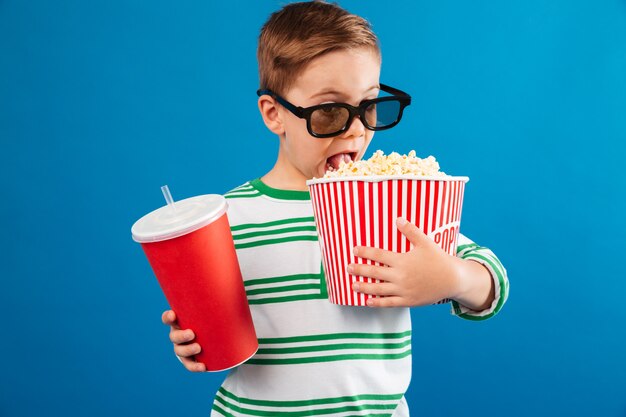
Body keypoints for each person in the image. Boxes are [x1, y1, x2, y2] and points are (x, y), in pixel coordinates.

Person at [162, 1, 509, 415]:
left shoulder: (390, 202)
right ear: (274, 114)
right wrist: (193, 341)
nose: (357, 129)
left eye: (369, 105)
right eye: (329, 111)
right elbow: (210, 323)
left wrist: (452, 277)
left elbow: (491, 284)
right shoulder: (228, 218)